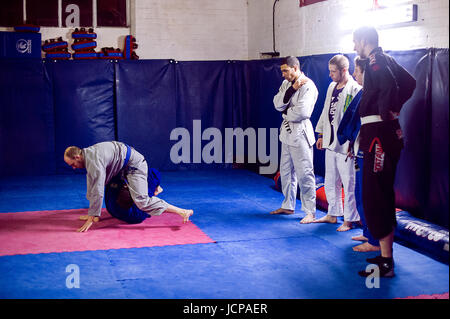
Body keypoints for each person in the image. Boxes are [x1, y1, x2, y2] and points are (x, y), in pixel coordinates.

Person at [352, 26, 416, 277]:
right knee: (380, 195)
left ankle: (387, 261)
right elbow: (409, 83)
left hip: (379, 134)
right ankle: (385, 257)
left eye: (356, 41)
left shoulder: (376, 60)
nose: (354, 46)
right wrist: (393, 108)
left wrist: (386, 111)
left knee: (376, 195)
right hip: (381, 132)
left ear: (364, 41)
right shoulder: (385, 58)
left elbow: (390, 84)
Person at [64, 141, 193, 232]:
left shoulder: (94, 161)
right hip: (122, 168)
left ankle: (182, 211)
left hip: (134, 165)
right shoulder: (88, 154)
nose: (74, 168)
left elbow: (98, 191)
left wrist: (92, 218)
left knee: (142, 202)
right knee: (98, 183)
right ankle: (153, 185)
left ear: (77, 156)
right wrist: (92, 213)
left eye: (72, 164)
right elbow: (91, 183)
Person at [336, 56, 380, 252]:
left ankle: (375, 240)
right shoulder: (364, 93)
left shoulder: (375, 95)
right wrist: (352, 143)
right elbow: (355, 123)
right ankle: (368, 231)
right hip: (360, 148)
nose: (354, 74)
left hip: (372, 150)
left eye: (357, 71)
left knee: (371, 195)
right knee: (360, 193)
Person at [314, 55, 361, 231]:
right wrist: (320, 134)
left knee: (348, 182)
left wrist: (353, 142)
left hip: (346, 143)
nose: (330, 75)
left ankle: (350, 219)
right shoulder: (331, 87)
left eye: (333, 72)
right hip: (330, 141)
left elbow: (357, 120)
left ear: (344, 70)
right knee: (330, 179)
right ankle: (332, 214)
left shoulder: (355, 89)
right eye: (329, 71)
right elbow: (326, 111)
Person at [271, 56, 318, 224]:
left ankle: (310, 211)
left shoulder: (308, 86)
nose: (283, 74)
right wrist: (290, 90)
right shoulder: (286, 84)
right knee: (286, 172)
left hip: (301, 134)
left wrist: (285, 113)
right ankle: (288, 205)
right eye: (282, 71)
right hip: (286, 133)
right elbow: (277, 103)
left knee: (305, 173)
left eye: (286, 70)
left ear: (295, 68)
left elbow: (303, 112)